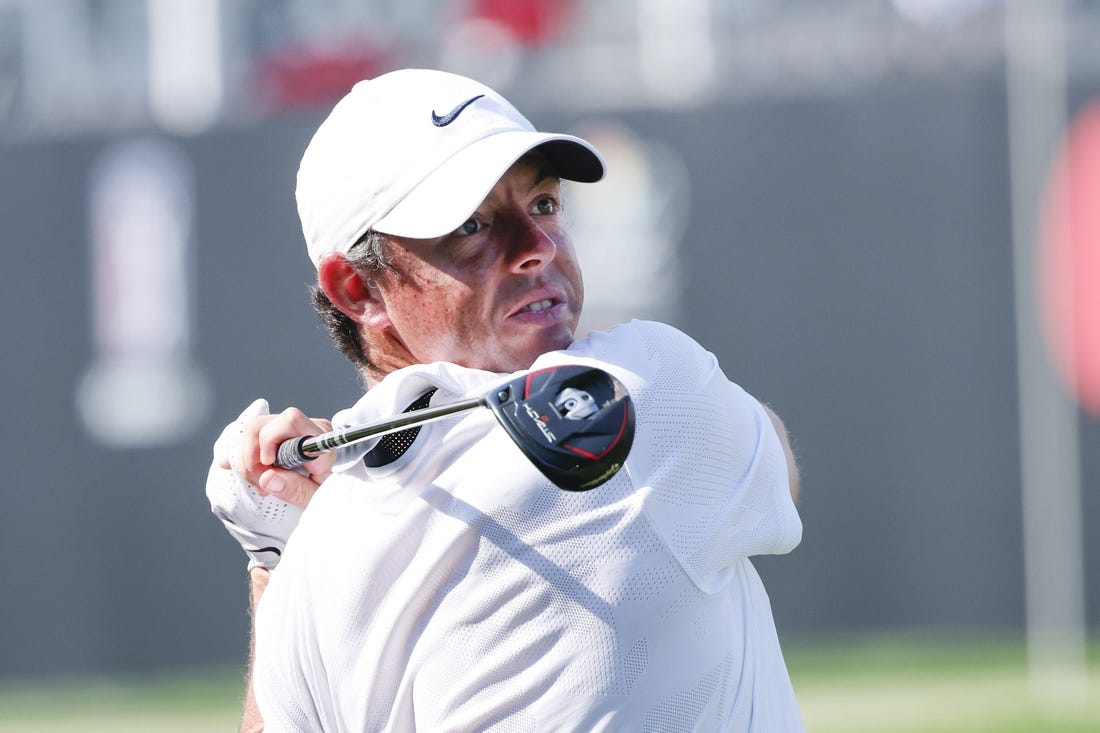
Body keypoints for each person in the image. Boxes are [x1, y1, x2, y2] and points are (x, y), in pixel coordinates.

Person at [206, 68, 805, 732]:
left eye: (543, 203)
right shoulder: (648, 388)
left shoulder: (324, 542)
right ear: (357, 289)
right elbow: (775, 458)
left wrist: (275, 563)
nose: (537, 247)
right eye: (471, 225)